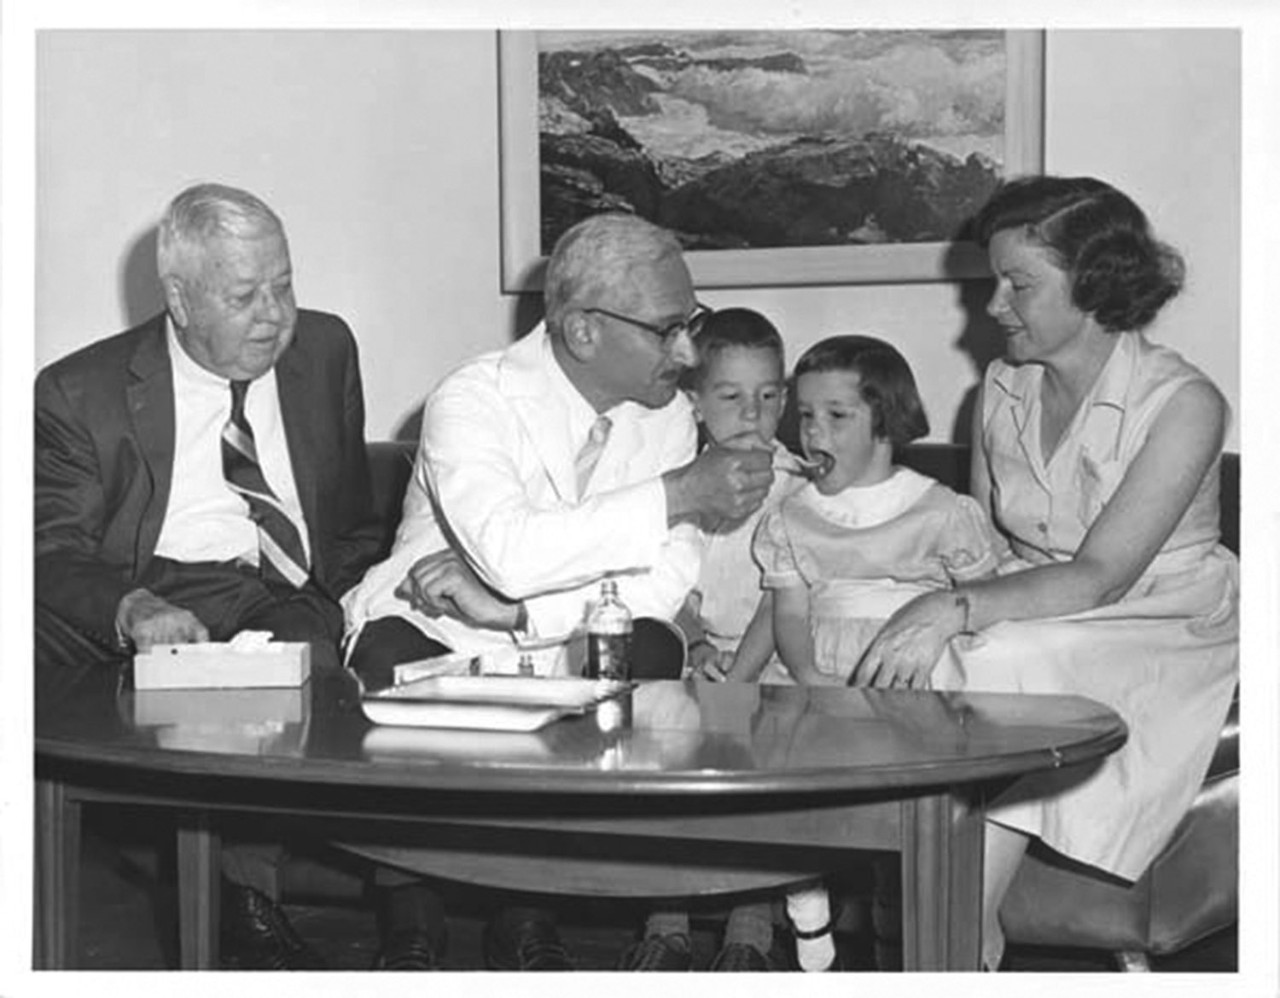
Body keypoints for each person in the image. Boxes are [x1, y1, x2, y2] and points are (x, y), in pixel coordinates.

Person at [341, 213, 776, 970]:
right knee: (393, 665)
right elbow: (509, 549)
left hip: (566, 623)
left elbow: (662, 579)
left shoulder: (669, 415)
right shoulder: (474, 398)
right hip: (440, 623)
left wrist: (520, 612)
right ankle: (410, 929)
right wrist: (675, 494)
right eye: (670, 328)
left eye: (691, 323)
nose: (687, 350)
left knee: (644, 647)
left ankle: (526, 916)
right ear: (582, 331)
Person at [853, 175, 1239, 971]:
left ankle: (962, 932)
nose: (992, 305)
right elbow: (990, 543)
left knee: (996, 658)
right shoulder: (1000, 386)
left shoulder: (1185, 403)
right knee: (856, 621)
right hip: (1037, 598)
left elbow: (1100, 576)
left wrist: (954, 611)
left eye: (1018, 283)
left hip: (1156, 612)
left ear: (1096, 285)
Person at [34, 182, 385, 969]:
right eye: (244, 295)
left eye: (285, 285)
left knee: (303, 645)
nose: (275, 315)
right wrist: (129, 606)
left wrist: (366, 597)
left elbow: (354, 521)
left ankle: (251, 902)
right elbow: (48, 549)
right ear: (180, 299)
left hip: (288, 586)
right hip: (159, 579)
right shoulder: (79, 392)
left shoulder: (326, 351)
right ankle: (233, 905)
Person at [752, 334, 1004, 970]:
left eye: (837, 416)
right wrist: (812, 677)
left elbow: (980, 603)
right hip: (819, 672)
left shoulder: (940, 511)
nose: (814, 431)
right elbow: (790, 611)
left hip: (909, 677)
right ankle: (807, 914)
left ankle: (907, 939)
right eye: (804, 415)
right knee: (791, 786)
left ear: (886, 421)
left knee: (903, 813)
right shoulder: (790, 516)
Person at [621, 307, 804, 971]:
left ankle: (748, 933)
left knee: (758, 776)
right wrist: (694, 647)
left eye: (769, 395)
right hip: (699, 659)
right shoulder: (683, 483)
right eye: (731, 397)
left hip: (775, 658)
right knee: (662, 755)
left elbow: (788, 595)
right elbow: (670, 584)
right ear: (695, 403)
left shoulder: (797, 484)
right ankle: (664, 924)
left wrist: (742, 673)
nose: (753, 414)